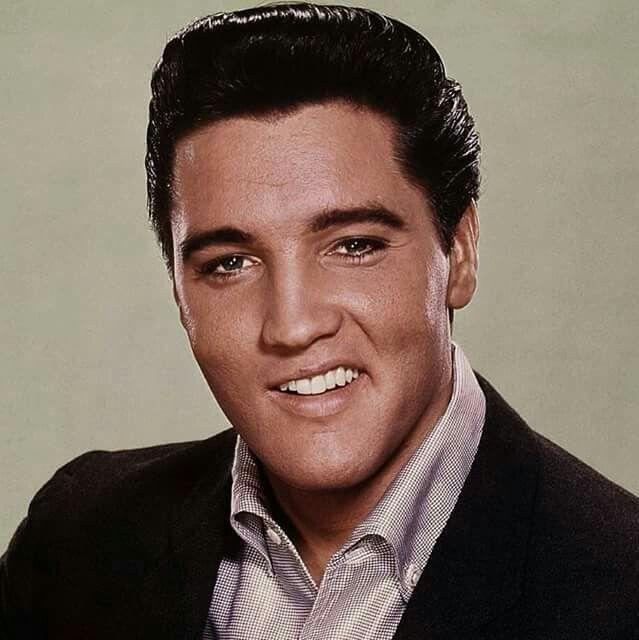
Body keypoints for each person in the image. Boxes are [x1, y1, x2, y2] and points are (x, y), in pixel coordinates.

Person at [2, 3, 638, 638]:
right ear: (177, 289)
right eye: (230, 263)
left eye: (354, 245)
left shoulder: (620, 585)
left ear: (461, 252)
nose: (293, 326)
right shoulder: (75, 543)